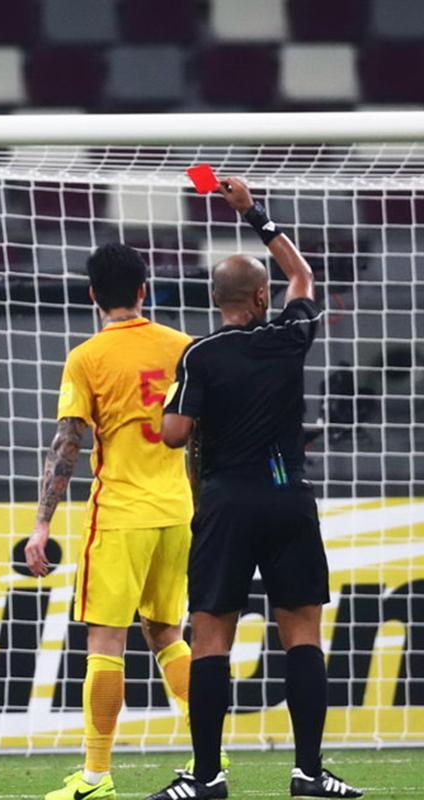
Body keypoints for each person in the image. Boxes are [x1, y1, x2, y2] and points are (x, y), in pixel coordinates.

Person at [147, 177, 362, 800]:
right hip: (287, 496)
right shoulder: (289, 335)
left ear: (216, 300)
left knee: (210, 634)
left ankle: (209, 776)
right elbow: (305, 276)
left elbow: (172, 433)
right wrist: (253, 214)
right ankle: (308, 773)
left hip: (226, 501)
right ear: (261, 295)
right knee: (301, 631)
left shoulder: (200, 355)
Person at [25, 243, 209, 800]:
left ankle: (97, 777)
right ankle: (211, 757)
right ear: (143, 290)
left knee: (106, 640)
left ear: (91, 295)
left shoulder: (87, 357)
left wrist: (41, 525)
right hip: (178, 510)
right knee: (168, 635)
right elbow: (201, 439)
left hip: (121, 512)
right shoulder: (184, 348)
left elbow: (67, 445)